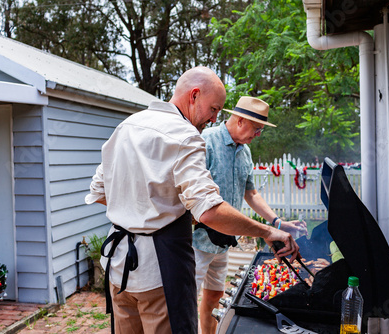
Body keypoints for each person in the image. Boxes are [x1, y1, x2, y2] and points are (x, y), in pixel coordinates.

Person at [84, 66, 300, 334]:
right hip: (159, 272)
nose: (213, 119)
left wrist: (144, 212)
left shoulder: (127, 125)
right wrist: (267, 230)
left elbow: (100, 192)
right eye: (213, 109)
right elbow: (208, 210)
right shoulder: (187, 136)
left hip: (118, 270)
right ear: (194, 95)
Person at [193, 96, 308, 334]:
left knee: (214, 295)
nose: (258, 135)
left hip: (224, 239)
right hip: (197, 239)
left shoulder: (245, 152)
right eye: (257, 129)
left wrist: (277, 222)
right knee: (184, 300)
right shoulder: (206, 141)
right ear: (241, 121)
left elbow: (251, 193)